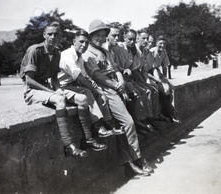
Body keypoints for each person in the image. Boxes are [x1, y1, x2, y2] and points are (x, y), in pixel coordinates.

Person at [82, 19, 153, 176]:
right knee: (127, 122)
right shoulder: (87, 53)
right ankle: (137, 159)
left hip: (116, 86)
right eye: (97, 36)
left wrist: (120, 81)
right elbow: (97, 75)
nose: (100, 39)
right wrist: (115, 86)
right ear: (90, 36)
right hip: (106, 89)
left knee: (121, 126)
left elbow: (116, 68)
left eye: (103, 35)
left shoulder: (106, 51)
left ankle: (128, 163)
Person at [19, 21, 89, 158]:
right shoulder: (35, 50)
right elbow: (29, 80)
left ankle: (87, 138)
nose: (52, 37)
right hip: (32, 90)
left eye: (56, 34)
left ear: (60, 36)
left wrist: (58, 89)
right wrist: (52, 92)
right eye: (49, 34)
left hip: (48, 88)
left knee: (82, 98)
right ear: (44, 35)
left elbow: (54, 78)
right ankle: (69, 145)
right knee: (60, 100)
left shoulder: (57, 52)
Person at [58, 29, 117, 140]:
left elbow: (87, 78)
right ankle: (98, 127)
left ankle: (109, 123)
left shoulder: (79, 56)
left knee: (98, 92)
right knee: (88, 92)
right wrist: (97, 90)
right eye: (81, 42)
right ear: (74, 41)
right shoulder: (67, 55)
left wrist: (99, 90)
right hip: (60, 87)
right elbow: (81, 78)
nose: (84, 45)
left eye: (86, 42)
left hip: (72, 85)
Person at [107, 27, 155, 134]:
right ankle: (138, 121)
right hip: (117, 79)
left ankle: (144, 119)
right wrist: (125, 71)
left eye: (133, 39)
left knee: (144, 91)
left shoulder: (132, 50)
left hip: (127, 78)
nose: (132, 42)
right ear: (124, 38)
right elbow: (117, 67)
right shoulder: (118, 48)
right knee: (135, 94)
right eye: (129, 39)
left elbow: (135, 70)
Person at [146, 35, 181, 123]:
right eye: (160, 43)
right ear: (156, 43)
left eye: (164, 44)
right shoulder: (152, 52)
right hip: (150, 72)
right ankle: (165, 112)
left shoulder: (164, 52)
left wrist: (165, 79)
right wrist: (161, 82)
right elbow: (151, 68)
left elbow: (165, 66)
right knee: (161, 89)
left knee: (170, 88)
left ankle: (170, 110)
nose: (162, 45)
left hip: (157, 72)